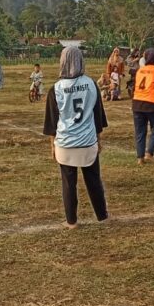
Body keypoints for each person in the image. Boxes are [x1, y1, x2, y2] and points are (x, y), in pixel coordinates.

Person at [43, 46, 109, 228]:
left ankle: (71, 221)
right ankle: (102, 216)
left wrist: (52, 146)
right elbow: (98, 116)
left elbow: (52, 122)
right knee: (94, 179)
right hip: (88, 142)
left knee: (68, 183)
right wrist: (98, 139)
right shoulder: (91, 84)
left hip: (65, 144)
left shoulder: (55, 89)